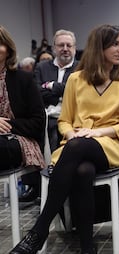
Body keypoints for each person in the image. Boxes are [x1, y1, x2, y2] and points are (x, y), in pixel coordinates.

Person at [10, 24, 119, 254]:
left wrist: (95, 134)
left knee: (78, 149)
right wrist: (72, 134)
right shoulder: (76, 80)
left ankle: (40, 228)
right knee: (82, 171)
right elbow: (65, 121)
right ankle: (87, 252)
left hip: (110, 145)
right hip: (78, 145)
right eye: (116, 44)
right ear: (98, 47)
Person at [19, 30, 78, 203]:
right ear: (54, 48)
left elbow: (78, 94)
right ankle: (36, 185)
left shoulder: (81, 67)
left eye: (69, 45)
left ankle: (56, 184)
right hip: (45, 114)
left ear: (74, 48)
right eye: (61, 45)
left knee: (54, 131)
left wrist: (53, 87)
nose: (65, 49)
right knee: (27, 134)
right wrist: (62, 90)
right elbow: (37, 92)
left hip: (72, 115)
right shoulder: (42, 67)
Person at [0, 25, 46, 174]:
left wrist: (7, 126)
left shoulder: (23, 79)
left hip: (19, 140)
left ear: (8, 50)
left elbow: (38, 122)